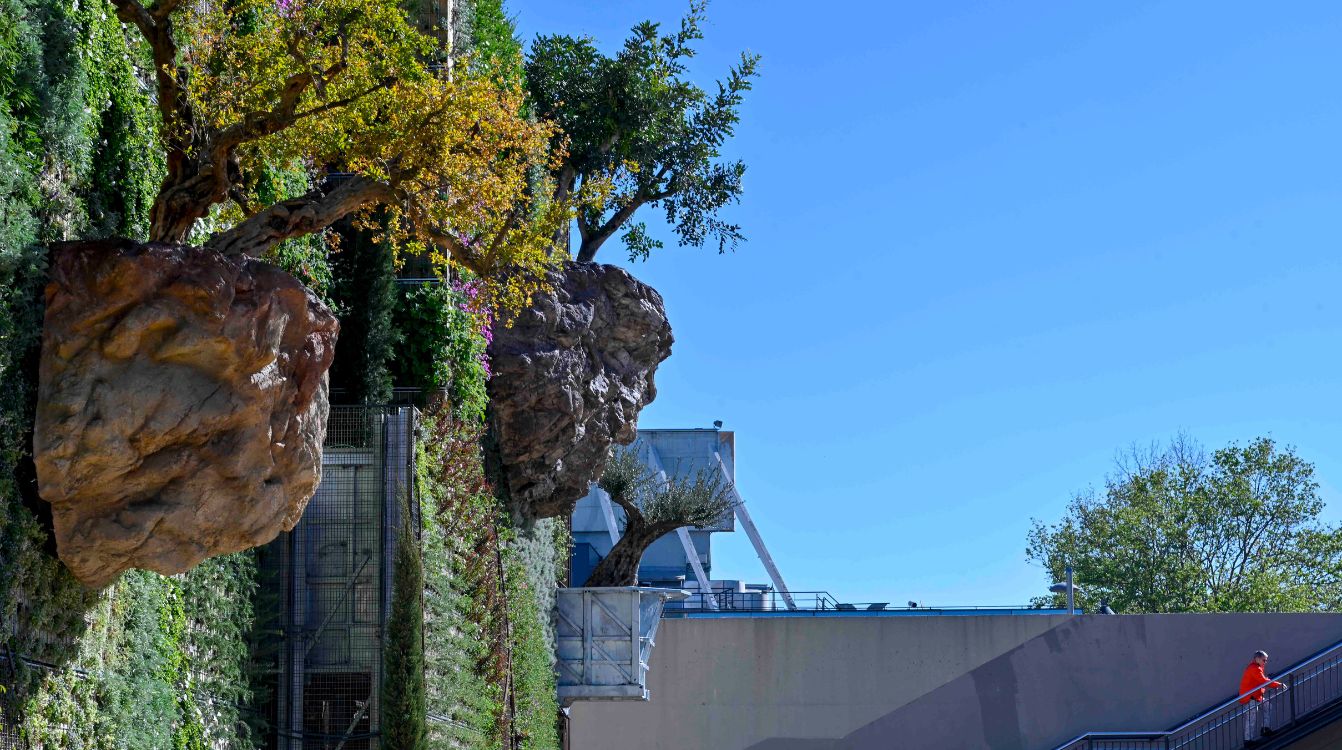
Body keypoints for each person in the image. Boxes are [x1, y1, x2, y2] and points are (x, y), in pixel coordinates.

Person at [1241, 650, 1285, 745]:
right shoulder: (1254, 668)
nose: (1265, 662)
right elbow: (1263, 681)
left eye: (1266, 660)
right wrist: (1278, 685)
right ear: (1257, 659)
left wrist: (1272, 683)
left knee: (1267, 706)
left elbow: (1262, 680)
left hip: (1256, 696)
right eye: (1264, 660)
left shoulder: (1257, 667)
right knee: (1251, 717)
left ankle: (1265, 729)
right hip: (1250, 697)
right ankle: (1248, 740)